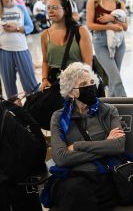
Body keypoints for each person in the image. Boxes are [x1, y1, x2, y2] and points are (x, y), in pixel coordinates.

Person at [49, 62, 124, 211]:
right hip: (74, 177)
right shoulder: (59, 118)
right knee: (72, 191)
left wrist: (77, 146)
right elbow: (61, 158)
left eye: (91, 82)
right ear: (71, 92)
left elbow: (118, 146)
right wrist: (105, 145)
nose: (90, 87)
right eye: (83, 84)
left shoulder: (108, 111)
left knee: (74, 196)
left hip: (103, 176)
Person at [86, 0, 128, 97]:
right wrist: (109, 26)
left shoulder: (119, 3)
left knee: (114, 79)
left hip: (119, 42)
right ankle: (128, 106)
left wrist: (111, 18)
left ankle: (110, 107)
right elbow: (90, 25)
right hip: (100, 42)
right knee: (116, 79)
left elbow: (125, 26)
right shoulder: (93, 2)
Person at [40, 0, 93, 90]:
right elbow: (45, 61)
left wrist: (81, 83)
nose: (50, 11)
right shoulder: (45, 35)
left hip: (78, 83)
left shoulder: (80, 31)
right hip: (55, 84)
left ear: (66, 10)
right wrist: (44, 79)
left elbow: (87, 62)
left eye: (55, 7)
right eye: (48, 8)